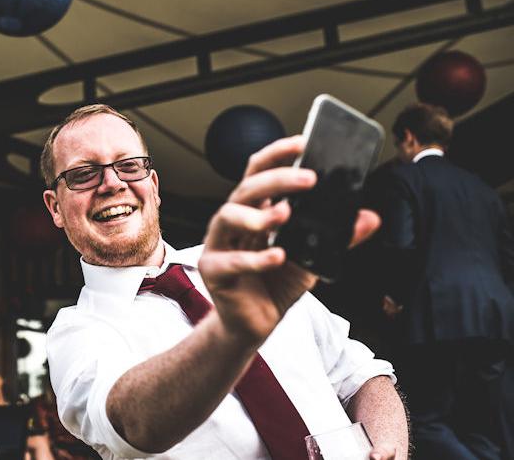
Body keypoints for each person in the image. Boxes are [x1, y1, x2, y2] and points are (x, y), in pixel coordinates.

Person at [42, 104, 409, 459]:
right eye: (82, 174)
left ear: (153, 186)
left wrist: (386, 446)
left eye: (128, 165)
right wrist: (232, 330)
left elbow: (362, 375)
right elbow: (133, 425)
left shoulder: (250, 263)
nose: (111, 182)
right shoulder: (77, 332)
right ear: (55, 207)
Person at [365, 103, 514, 459]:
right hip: (494, 314)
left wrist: (395, 298)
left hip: (436, 313)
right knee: (484, 421)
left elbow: (401, 245)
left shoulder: (404, 179)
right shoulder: (482, 188)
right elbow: (507, 254)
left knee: (427, 420)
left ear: (410, 138)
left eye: (398, 144)